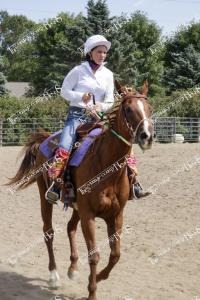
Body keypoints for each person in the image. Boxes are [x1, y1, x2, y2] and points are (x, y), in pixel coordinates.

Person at [47, 34, 150, 202]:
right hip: (77, 116)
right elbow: (64, 92)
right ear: (90, 52)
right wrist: (81, 96)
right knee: (65, 145)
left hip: (99, 117)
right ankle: (56, 185)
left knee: (124, 143)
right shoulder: (78, 71)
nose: (102, 55)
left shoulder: (108, 74)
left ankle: (134, 183)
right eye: (99, 51)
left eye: (105, 52)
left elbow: (110, 100)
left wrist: (101, 106)